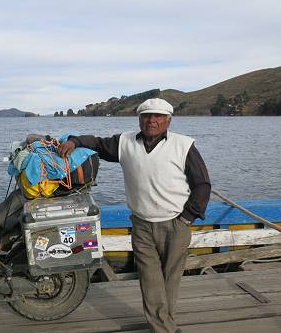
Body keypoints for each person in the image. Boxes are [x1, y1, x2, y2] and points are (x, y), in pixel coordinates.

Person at [58, 98, 211, 333]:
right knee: (150, 281)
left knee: (170, 281)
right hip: (141, 225)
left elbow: (202, 185)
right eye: (147, 116)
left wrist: (187, 218)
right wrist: (75, 141)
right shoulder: (125, 143)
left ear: (168, 120)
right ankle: (165, 329)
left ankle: (164, 326)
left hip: (175, 224)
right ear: (139, 119)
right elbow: (97, 143)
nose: (152, 120)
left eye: (158, 116)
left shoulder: (184, 145)